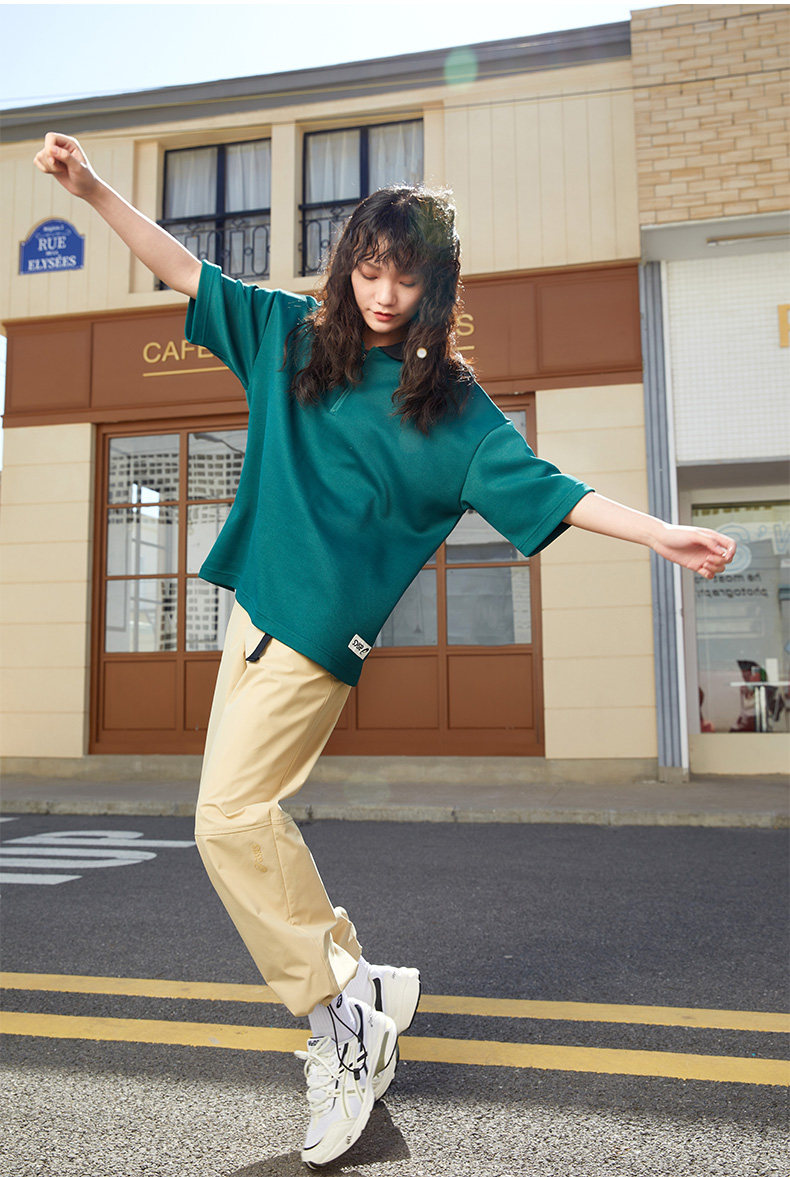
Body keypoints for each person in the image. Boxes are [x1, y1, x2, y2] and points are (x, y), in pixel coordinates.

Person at [35, 131, 737, 1169]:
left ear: (433, 287)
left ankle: (344, 1015)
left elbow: (551, 489)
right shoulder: (289, 337)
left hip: (314, 636)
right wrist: (93, 188)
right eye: (369, 270)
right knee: (239, 817)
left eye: (405, 278)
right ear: (347, 265)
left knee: (226, 819)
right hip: (252, 614)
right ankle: (358, 983)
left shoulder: (447, 405)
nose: (383, 293)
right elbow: (184, 267)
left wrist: (659, 532)